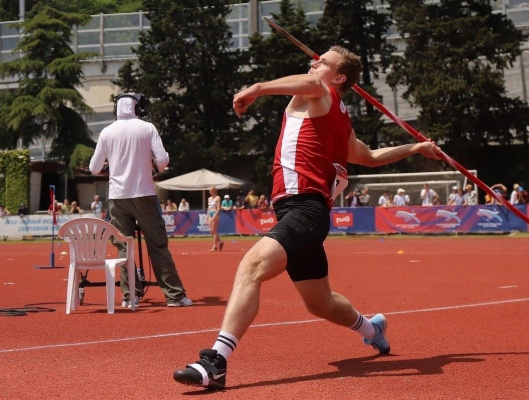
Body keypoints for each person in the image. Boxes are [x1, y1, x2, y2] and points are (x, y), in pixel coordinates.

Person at [173, 45, 441, 389]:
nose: (314, 62)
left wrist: (256, 89)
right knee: (320, 303)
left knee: (251, 267)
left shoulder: (322, 91)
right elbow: (370, 155)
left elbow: (312, 85)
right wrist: (416, 148)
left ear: (339, 77)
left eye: (323, 62)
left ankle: (215, 362)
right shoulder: (339, 116)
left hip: (306, 209)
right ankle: (372, 328)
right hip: (299, 211)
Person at [89, 93, 191, 308]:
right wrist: (153, 165)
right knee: (158, 245)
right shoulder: (147, 128)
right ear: (137, 108)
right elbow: (162, 161)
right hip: (143, 193)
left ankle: (130, 296)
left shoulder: (107, 132)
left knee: (124, 248)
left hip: (118, 197)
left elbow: (94, 168)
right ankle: (174, 296)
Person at [207, 186, 223, 252]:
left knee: (214, 230)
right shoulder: (209, 198)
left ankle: (214, 246)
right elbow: (208, 208)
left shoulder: (218, 198)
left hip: (215, 212)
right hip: (210, 212)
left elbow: (219, 207)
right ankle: (221, 242)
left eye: (210, 190)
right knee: (211, 231)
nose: (209, 192)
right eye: (209, 191)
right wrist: (207, 216)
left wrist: (215, 215)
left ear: (214, 191)